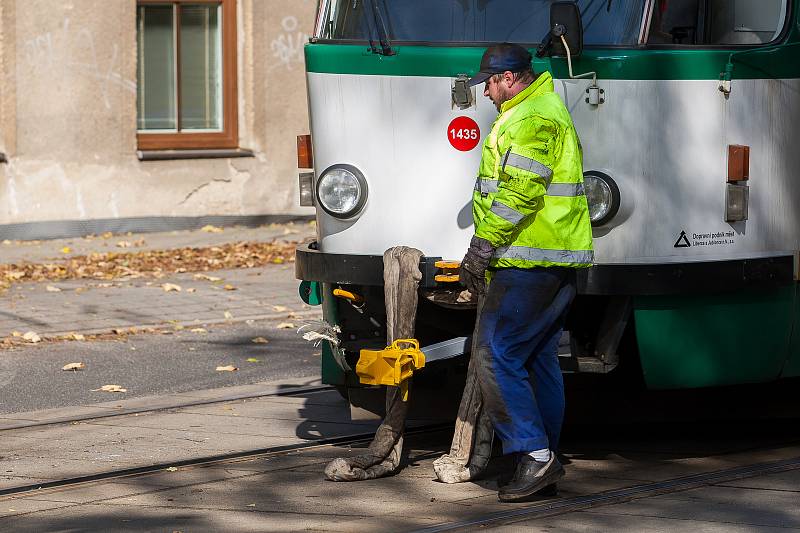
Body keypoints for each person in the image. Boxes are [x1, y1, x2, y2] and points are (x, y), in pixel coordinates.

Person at [459, 43, 594, 503]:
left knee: (494, 352)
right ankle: (544, 454)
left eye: (490, 85)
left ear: (509, 78)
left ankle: (534, 456)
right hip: (550, 259)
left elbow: (518, 193)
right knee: (536, 359)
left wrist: (482, 246)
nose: (487, 95)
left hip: (530, 261)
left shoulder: (533, 118)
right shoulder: (535, 109)